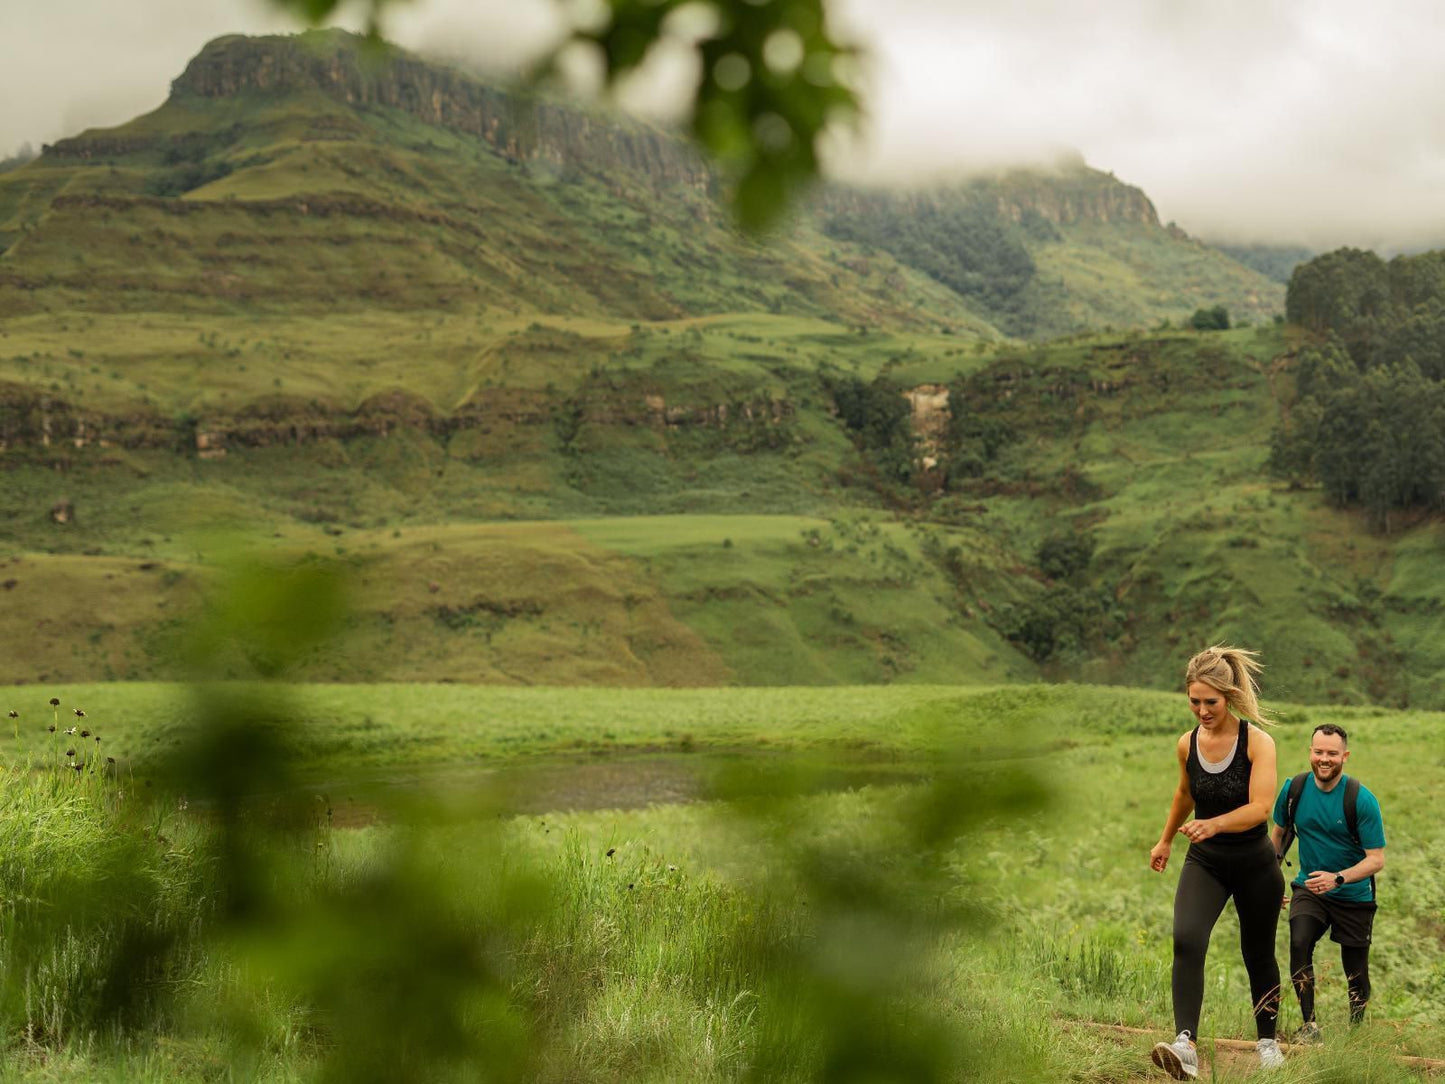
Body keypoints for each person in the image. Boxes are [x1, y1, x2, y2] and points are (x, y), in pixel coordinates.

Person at [1148, 645, 1285, 1079]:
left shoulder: (1257, 742)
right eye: (1194, 701)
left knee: (1257, 951)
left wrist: (1216, 823)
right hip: (1205, 860)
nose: (1202, 711)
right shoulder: (1187, 744)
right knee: (1187, 938)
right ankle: (1184, 1044)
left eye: (1211, 702)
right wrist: (1166, 839)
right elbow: (1185, 794)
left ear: (1229, 696)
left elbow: (1261, 807)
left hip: (1254, 863)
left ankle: (1267, 1042)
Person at [1271, 723, 1386, 1041]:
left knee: (1356, 972)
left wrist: (1338, 878)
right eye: (1319, 751)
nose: (1324, 759)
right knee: (1299, 942)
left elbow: (1376, 859)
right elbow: (1279, 836)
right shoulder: (1293, 790)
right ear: (1310, 752)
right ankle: (1309, 1026)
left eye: (1332, 754)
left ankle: (1356, 1033)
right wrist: (1271, 880)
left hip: (1353, 893)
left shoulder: (1361, 800)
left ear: (1344, 756)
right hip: (1310, 887)